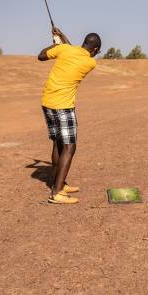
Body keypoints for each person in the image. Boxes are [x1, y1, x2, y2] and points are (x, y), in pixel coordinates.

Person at [38, 27, 101, 204]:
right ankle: (57, 192)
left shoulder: (65, 50)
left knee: (58, 143)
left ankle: (59, 183)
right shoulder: (90, 63)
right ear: (95, 50)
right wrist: (62, 41)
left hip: (47, 101)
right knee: (69, 147)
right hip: (63, 106)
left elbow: (42, 56)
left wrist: (57, 44)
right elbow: (77, 54)